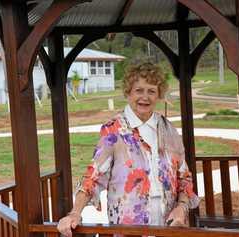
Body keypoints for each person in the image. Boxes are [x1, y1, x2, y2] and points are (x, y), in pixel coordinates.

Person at [57, 63, 200, 236]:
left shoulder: (168, 129)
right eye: (139, 90)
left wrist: (182, 208)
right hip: (128, 228)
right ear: (128, 92)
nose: (145, 97)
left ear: (159, 94)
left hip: (167, 225)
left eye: (151, 91)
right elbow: (94, 176)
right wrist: (75, 213)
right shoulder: (114, 130)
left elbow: (184, 177)